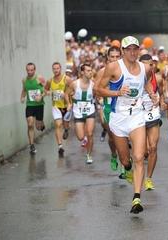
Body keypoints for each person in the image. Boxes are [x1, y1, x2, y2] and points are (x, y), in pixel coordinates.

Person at [96, 36, 158, 214]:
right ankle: (127, 168)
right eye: (128, 49)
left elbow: (145, 82)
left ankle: (136, 198)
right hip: (118, 118)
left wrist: (152, 94)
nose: (132, 52)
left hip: (136, 116)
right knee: (126, 160)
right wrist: (117, 92)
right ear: (122, 51)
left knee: (140, 156)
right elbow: (98, 89)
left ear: (139, 50)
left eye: (135, 49)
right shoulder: (114, 67)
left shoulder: (145, 68)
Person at [93, 46, 126, 178]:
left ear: (121, 57)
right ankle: (114, 154)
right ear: (108, 58)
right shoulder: (102, 72)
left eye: (117, 57)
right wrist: (102, 95)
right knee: (113, 138)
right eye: (112, 57)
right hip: (109, 107)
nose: (114, 59)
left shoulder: (126, 70)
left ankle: (124, 167)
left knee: (124, 137)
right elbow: (96, 89)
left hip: (124, 108)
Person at [139, 54, 165, 191]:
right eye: (143, 64)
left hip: (153, 114)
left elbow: (161, 94)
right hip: (138, 116)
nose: (147, 67)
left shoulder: (158, 79)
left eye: (149, 64)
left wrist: (161, 102)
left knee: (153, 147)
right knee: (143, 153)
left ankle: (148, 179)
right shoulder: (134, 78)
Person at [65, 63, 96, 164]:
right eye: (88, 71)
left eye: (91, 70)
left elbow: (98, 93)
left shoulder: (93, 83)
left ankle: (89, 155)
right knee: (81, 137)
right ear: (82, 72)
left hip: (90, 110)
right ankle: (85, 137)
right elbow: (66, 94)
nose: (90, 72)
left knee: (90, 133)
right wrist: (68, 104)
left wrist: (100, 99)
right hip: (78, 111)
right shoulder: (75, 84)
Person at [44, 62, 73, 155]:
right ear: (52, 70)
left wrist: (66, 94)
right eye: (54, 69)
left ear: (60, 69)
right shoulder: (50, 81)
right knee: (58, 124)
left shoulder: (66, 79)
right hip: (56, 106)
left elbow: (74, 90)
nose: (56, 70)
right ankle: (60, 146)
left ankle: (67, 130)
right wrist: (47, 92)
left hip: (66, 106)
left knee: (65, 125)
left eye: (57, 68)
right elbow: (46, 89)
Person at [20, 63, 47, 154]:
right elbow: (24, 90)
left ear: (34, 70)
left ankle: (42, 125)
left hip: (39, 105)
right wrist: (22, 97)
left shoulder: (39, 78)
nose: (29, 72)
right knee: (30, 125)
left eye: (31, 70)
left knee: (38, 127)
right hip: (30, 106)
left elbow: (47, 89)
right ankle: (32, 145)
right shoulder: (24, 80)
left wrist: (41, 96)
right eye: (28, 70)